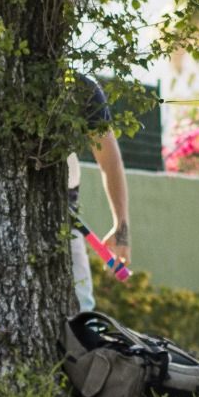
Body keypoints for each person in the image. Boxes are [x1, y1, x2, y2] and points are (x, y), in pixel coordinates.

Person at [69, 75, 132, 313]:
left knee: (83, 311)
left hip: (66, 215)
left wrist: (121, 228)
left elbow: (110, 162)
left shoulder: (80, 87)